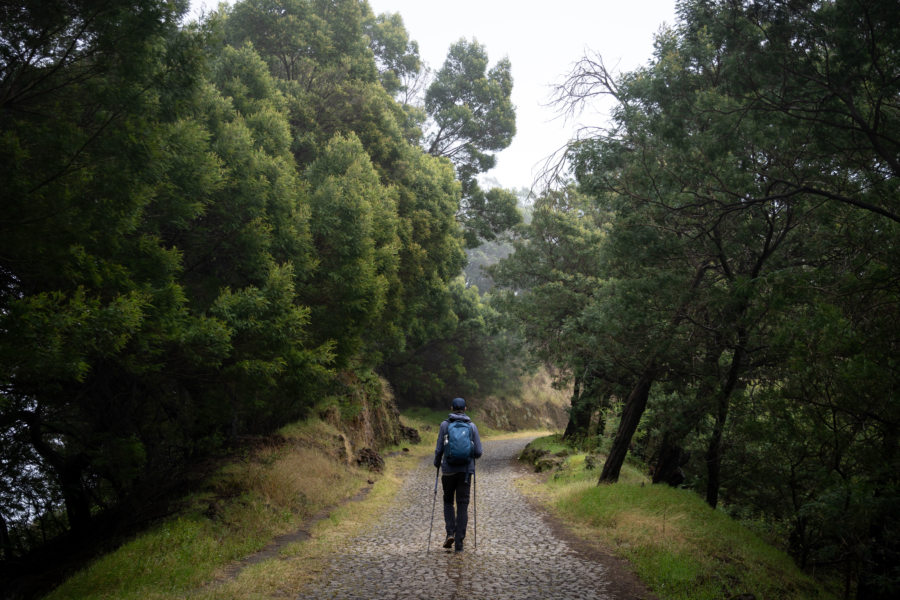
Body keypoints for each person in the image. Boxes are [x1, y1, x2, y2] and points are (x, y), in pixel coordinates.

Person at [433, 397, 483, 553]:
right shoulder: (472, 426)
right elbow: (478, 452)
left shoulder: (445, 425)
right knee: (462, 504)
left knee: (448, 502)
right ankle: (459, 542)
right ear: (466, 409)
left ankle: (450, 533)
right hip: (465, 473)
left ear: (451, 407)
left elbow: (439, 448)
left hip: (448, 471)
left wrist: (437, 463)